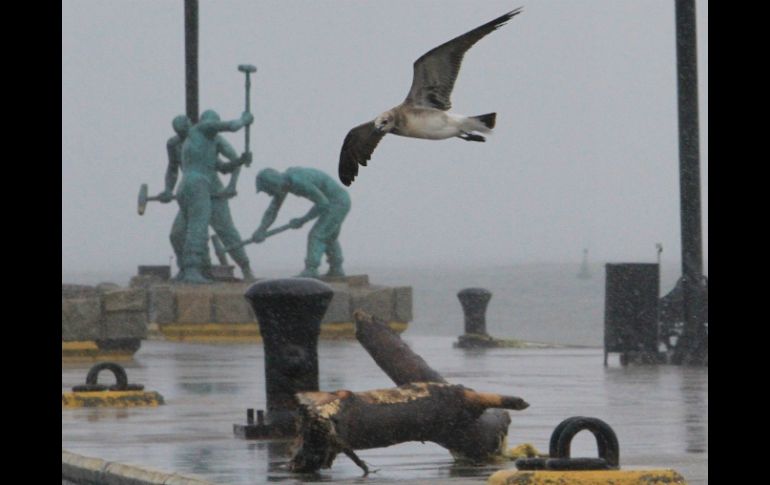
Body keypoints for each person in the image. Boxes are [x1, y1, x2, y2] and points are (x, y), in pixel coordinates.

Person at [157, 114, 255, 282]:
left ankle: (245, 268)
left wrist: (238, 163)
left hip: (214, 192)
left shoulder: (212, 140)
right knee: (179, 233)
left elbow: (224, 166)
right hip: (193, 188)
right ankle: (189, 269)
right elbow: (173, 168)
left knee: (225, 231)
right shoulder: (187, 138)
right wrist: (244, 120)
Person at [252, 167, 351, 278]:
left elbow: (323, 203)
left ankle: (311, 269)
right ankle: (336, 268)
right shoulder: (284, 184)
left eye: (268, 191)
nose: (270, 195)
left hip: (338, 202)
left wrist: (302, 220)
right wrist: (261, 229)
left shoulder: (298, 181)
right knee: (328, 235)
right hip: (334, 201)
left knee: (317, 235)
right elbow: (272, 210)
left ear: (273, 184)